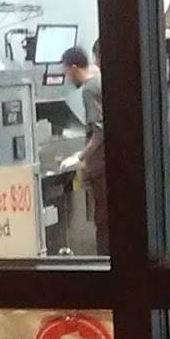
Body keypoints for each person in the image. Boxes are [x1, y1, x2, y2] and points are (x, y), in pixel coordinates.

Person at [62, 41, 107, 255]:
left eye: (65, 72)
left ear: (73, 68)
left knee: (104, 226)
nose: (66, 77)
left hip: (102, 170)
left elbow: (99, 131)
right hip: (105, 168)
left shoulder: (89, 89)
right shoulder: (100, 82)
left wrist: (80, 156)